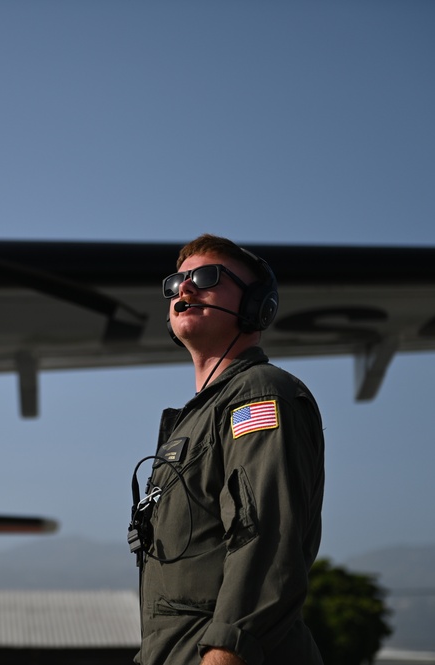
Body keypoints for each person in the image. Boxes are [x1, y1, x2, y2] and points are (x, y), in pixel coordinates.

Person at [130, 234, 325, 665]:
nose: (184, 288)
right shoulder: (196, 419)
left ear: (258, 306)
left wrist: (227, 651)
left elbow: (267, 535)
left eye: (207, 277)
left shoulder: (258, 394)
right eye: (177, 281)